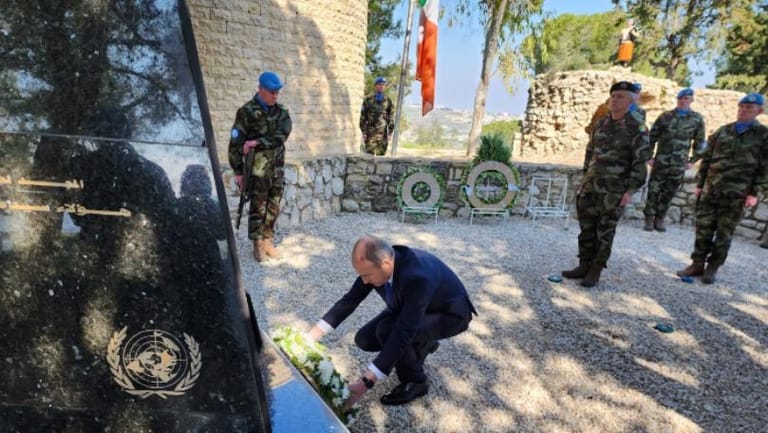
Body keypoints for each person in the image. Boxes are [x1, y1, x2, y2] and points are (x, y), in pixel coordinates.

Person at [308, 235, 477, 406]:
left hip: (449, 314)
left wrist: (365, 383)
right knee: (365, 339)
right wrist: (309, 338)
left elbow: (404, 330)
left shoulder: (417, 277)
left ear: (385, 263)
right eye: (361, 275)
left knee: (388, 331)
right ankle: (423, 343)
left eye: (367, 275)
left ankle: (416, 381)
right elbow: (350, 300)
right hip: (413, 308)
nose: (364, 281)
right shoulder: (377, 265)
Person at [562, 81, 651, 287]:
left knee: (605, 231)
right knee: (587, 227)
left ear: (630, 101)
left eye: (620, 96)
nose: (614, 100)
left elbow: (640, 162)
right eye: (613, 96)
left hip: (614, 190)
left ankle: (596, 269)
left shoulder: (637, 128)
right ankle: (584, 264)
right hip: (591, 185)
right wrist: (584, 179)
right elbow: (590, 153)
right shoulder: (601, 124)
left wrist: (630, 190)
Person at [677, 93, 768, 284]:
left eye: (749, 107)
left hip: (738, 194)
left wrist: (754, 193)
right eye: (741, 106)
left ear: (759, 111)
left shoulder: (763, 135)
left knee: (724, 233)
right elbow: (707, 159)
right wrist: (700, 184)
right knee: (703, 229)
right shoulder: (723, 131)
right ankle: (697, 264)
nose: (743, 110)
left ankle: (713, 267)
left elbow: (765, 167)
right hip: (712, 189)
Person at [228, 71, 292, 262]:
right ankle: (257, 245)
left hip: (277, 168)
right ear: (260, 89)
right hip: (257, 171)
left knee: (274, 205)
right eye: (272, 92)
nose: (275, 96)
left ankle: (268, 241)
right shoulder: (246, 112)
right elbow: (235, 144)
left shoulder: (282, 112)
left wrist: (257, 143)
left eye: (277, 92)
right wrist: (238, 171)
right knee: (258, 206)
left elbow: (282, 136)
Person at [644, 88, 706, 232]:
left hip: (679, 163)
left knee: (670, 191)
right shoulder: (665, 116)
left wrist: (692, 160)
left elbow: (700, 142)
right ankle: (649, 217)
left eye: (686, 98)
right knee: (654, 189)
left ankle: (660, 217)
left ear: (691, 100)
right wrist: (649, 156)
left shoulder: (696, 119)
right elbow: (652, 137)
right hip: (661, 161)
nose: (683, 101)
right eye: (680, 98)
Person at [359, 77, 394, 156]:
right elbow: (363, 116)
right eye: (379, 84)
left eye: (383, 85)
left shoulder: (388, 100)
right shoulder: (368, 99)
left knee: (381, 157)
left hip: (383, 134)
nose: (381, 86)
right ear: (375, 86)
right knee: (369, 156)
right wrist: (363, 132)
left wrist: (390, 133)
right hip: (370, 133)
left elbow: (391, 116)